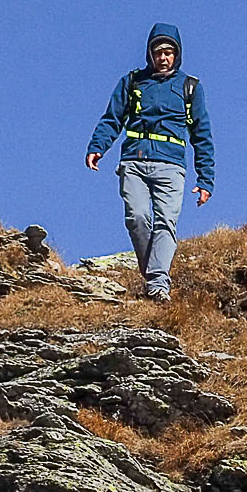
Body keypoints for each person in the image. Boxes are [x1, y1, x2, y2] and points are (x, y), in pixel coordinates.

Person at [86, 23, 214, 302]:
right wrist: (98, 147)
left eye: (169, 52)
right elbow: (112, 119)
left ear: (177, 55)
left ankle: (157, 284)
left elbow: (202, 135)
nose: (163, 57)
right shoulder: (132, 82)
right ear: (150, 54)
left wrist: (205, 180)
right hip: (134, 161)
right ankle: (153, 273)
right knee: (138, 218)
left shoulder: (190, 87)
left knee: (166, 222)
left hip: (171, 166)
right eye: (158, 52)